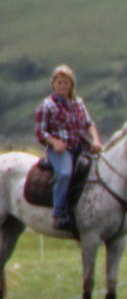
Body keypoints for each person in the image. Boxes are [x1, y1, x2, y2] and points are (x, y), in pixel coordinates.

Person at [34, 64, 103, 230]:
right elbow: (40, 131)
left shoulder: (78, 103)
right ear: (54, 84)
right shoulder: (47, 105)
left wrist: (96, 140)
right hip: (60, 150)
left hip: (80, 146)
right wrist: (55, 142)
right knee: (65, 173)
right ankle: (58, 214)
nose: (62, 86)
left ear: (71, 84)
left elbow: (89, 123)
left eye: (66, 82)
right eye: (59, 82)